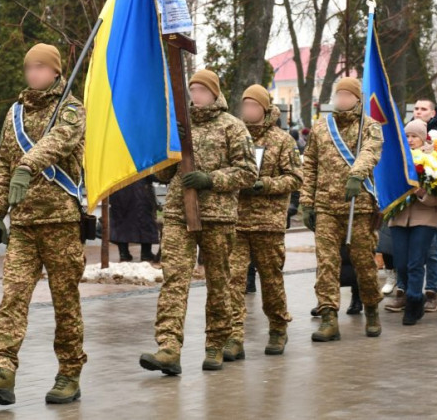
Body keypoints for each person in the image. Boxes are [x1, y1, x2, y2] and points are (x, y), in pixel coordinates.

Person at [0, 43, 87, 405]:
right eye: (29, 67)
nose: (33, 73)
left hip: (61, 221)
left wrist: (27, 165)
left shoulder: (71, 108)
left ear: (54, 72)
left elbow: (57, 143)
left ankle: (69, 372)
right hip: (24, 224)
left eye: (40, 67)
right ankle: (3, 370)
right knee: (13, 296)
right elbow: (3, 162)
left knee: (65, 302)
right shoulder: (15, 112)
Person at [139, 70, 257, 375]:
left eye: (202, 90)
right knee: (174, 279)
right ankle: (169, 348)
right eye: (192, 89)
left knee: (219, 282)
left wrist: (211, 180)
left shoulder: (233, 127)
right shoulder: (181, 127)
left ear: (214, 93)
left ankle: (216, 344)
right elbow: (164, 175)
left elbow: (247, 172)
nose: (196, 95)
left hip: (217, 216)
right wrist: (168, 149)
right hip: (179, 213)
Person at [301, 77, 384, 341]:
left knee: (363, 263)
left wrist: (356, 175)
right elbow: (310, 164)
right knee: (326, 264)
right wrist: (306, 202)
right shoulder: (321, 127)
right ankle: (328, 318)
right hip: (326, 206)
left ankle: (371, 309)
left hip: (357, 207)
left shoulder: (369, 126)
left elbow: (371, 152)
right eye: (339, 96)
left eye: (347, 96)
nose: (342, 101)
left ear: (357, 100)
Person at [224, 85, 302, 361]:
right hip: (237, 220)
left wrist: (263, 184)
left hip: (268, 223)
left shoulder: (282, 140)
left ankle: (278, 328)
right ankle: (234, 337)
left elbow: (295, 178)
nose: (248, 111)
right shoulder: (234, 136)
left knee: (271, 280)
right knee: (233, 280)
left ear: (265, 109)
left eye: (253, 106)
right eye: (245, 106)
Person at [388, 120, 437, 325]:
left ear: (423, 138)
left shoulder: (434, 160)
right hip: (400, 217)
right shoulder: (398, 158)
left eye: (414, 136)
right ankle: (416, 297)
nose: (410, 140)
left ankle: (413, 302)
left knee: (415, 262)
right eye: (408, 136)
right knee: (401, 263)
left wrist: (422, 193)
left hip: (425, 217)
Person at [108, 178, 159, 263]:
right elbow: (156, 174)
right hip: (140, 187)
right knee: (144, 219)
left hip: (118, 186)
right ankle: (146, 253)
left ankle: (124, 253)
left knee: (121, 221)